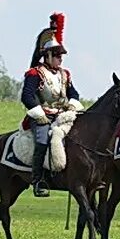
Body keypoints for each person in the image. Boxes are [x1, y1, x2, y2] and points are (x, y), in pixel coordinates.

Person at [20, 13, 83, 197]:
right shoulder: (35, 73)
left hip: (62, 115)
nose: (60, 59)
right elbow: (27, 96)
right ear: (47, 55)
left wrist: (72, 105)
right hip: (42, 116)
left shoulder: (65, 74)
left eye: (61, 56)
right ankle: (38, 180)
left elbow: (74, 94)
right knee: (42, 141)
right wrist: (38, 113)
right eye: (56, 56)